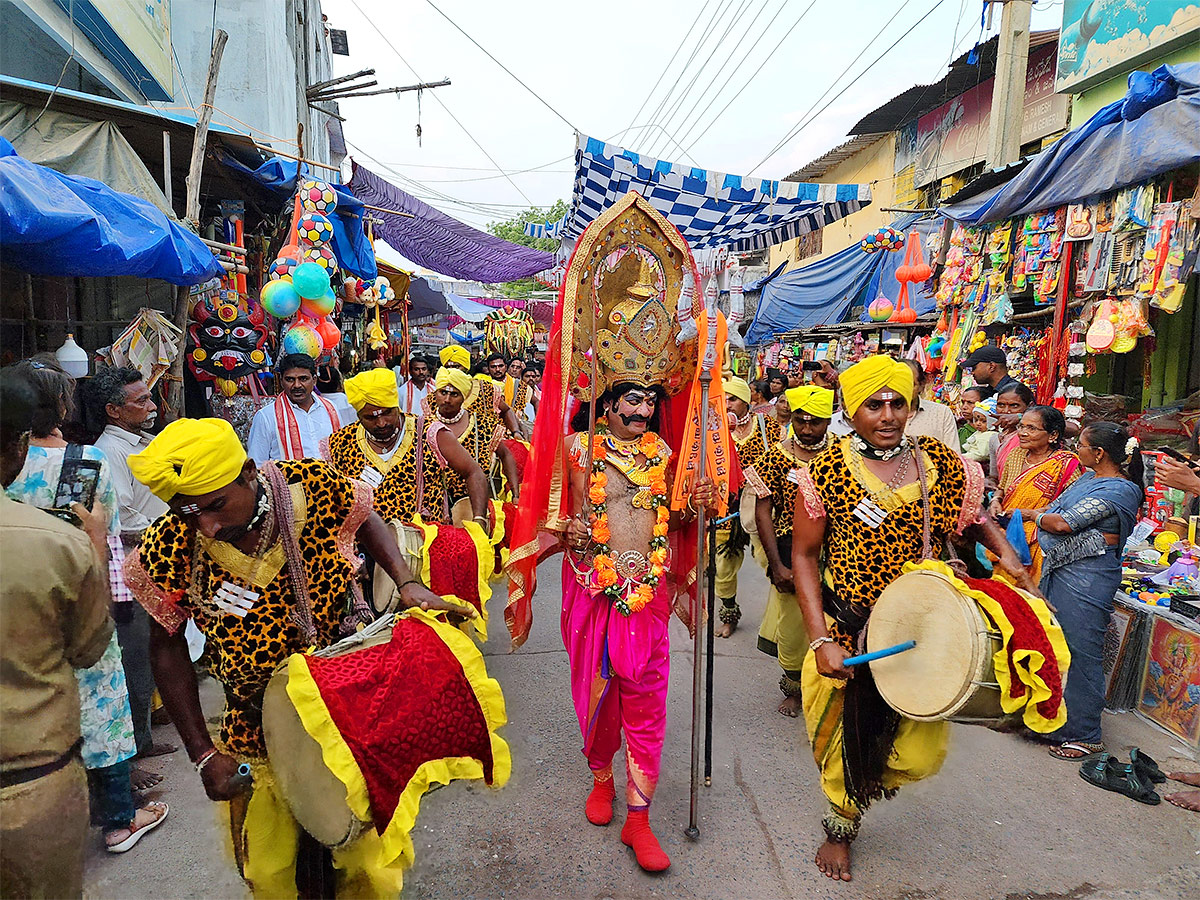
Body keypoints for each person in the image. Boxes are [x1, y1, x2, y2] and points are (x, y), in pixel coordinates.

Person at [124, 418, 475, 896]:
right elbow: (166, 648)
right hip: (254, 728)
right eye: (188, 514)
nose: (206, 525)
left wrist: (406, 580)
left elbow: (367, 519)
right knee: (270, 872)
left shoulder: (312, 486)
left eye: (215, 506)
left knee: (365, 866)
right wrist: (203, 755)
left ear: (248, 473)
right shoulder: (170, 542)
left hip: (345, 710)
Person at [504, 210, 718, 874]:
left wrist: (702, 503)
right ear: (606, 396)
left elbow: (683, 521)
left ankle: (640, 816)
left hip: (646, 594)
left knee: (647, 703)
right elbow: (544, 513)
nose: (642, 410)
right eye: (629, 398)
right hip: (589, 591)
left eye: (649, 400)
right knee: (596, 697)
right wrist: (556, 533)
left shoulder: (669, 453)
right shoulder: (574, 446)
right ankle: (601, 777)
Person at [790, 355, 1036, 882]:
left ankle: (872, 778)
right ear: (850, 410)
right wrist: (818, 642)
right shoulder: (824, 472)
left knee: (920, 752)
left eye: (897, 402)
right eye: (873, 404)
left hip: (923, 633)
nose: (887, 414)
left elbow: (974, 521)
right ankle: (841, 825)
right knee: (842, 741)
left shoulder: (945, 466)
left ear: (912, 406)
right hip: (851, 631)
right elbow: (804, 557)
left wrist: (1008, 559)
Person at [5, 357, 168, 853]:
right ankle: (119, 818)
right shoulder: (83, 463)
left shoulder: (8, 463)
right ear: (60, 405)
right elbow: (106, 531)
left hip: (15, 601)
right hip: (78, 592)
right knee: (101, 700)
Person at [0, 368, 114, 899]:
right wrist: (95, 542)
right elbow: (90, 647)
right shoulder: (56, 543)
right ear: (14, 448)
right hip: (30, 783)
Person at [1034, 422, 1145, 760]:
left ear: (1098, 453)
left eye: (1080, 444)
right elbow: (1057, 512)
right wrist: (1045, 516)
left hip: (1089, 577)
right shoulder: (1088, 479)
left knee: (1082, 651)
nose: (1075, 449)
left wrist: (1028, 515)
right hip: (1065, 570)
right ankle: (1052, 721)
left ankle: (1086, 733)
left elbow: (1066, 522)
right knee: (1055, 645)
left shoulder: (1121, 489)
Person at [87, 366, 178, 769]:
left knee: (155, 646)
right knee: (137, 653)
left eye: (148, 396)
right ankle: (138, 742)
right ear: (113, 410)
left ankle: (146, 725)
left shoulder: (136, 441)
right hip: (134, 567)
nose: (152, 404)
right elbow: (121, 514)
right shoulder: (111, 451)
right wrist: (166, 532)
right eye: (140, 400)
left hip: (153, 562)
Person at [751, 385, 832, 716]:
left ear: (830, 420)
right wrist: (776, 565)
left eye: (816, 422)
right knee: (794, 626)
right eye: (801, 421)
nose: (808, 429)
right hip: (789, 548)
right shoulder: (773, 458)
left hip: (836, 550)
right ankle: (794, 686)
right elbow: (762, 512)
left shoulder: (841, 457)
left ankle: (830, 682)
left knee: (834, 619)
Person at [323, 368, 488, 526]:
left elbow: (473, 472)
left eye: (387, 413)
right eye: (370, 418)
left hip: (426, 544)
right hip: (362, 550)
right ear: (358, 415)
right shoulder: (340, 444)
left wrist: (479, 519)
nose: (381, 423)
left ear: (397, 406)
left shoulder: (429, 432)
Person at [992, 405, 1083, 583]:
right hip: (1007, 537)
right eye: (1021, 426)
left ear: (1053, 435)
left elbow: (1070, 506)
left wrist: (1030, 515)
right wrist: (996, 500)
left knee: (1033, 596)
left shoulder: (1066, 465)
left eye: (1031, 428)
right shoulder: (1016, 455)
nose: (1022, 433)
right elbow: (1002, 487)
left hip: (1042, 541)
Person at [713, 377, 769, 638]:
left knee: (769, 560)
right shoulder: (714, 431)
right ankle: (729, 614)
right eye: (723, 399)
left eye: (733, 399)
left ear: (746, 401)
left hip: (761, 506)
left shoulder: (767, 426)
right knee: (723, 567)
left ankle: (779, 619)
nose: (727, 404)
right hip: (727, 507)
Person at [430, 367, 520, 508]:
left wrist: (515, 495)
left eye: (454, 394)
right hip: (435, 503)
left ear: (464, 397)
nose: (447, 399)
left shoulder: (482, 424)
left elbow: (505, 455)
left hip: (475, 501)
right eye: (443, 392)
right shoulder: (424, 425)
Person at [247, 354, 344, 463]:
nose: (297, 385)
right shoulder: (266, 417)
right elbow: (257, 463)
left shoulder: (331, 409)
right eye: (290, 379)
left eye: (303, 379)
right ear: (281, 381)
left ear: (314, 380)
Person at [901, 359, 961, 452]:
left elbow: (954, 455)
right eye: (900, 384)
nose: (904, 389)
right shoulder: (882, 416)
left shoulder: (941, 413)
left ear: (922, 385)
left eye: (911, 384)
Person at [991, 382, 1034, 477]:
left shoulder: (1034, 436)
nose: (1006, 411)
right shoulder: (995, 438)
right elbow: (994, 477)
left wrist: (1021, 417)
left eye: (1014, 406)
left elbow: (1073, 429)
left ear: (1029, 406)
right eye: (1001, 405)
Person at [961, 398, 998, 468]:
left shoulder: (989, 436)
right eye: (976, 420)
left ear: (992, 422)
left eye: (983, 421)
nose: (978, 423)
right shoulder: (980, 433)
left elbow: (980, 454)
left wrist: (963, 457)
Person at [956, 385, 993, 449]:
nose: (964, 407)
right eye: (963, 402)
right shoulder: (962, 433)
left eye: (970, 402)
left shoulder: (993, 434)